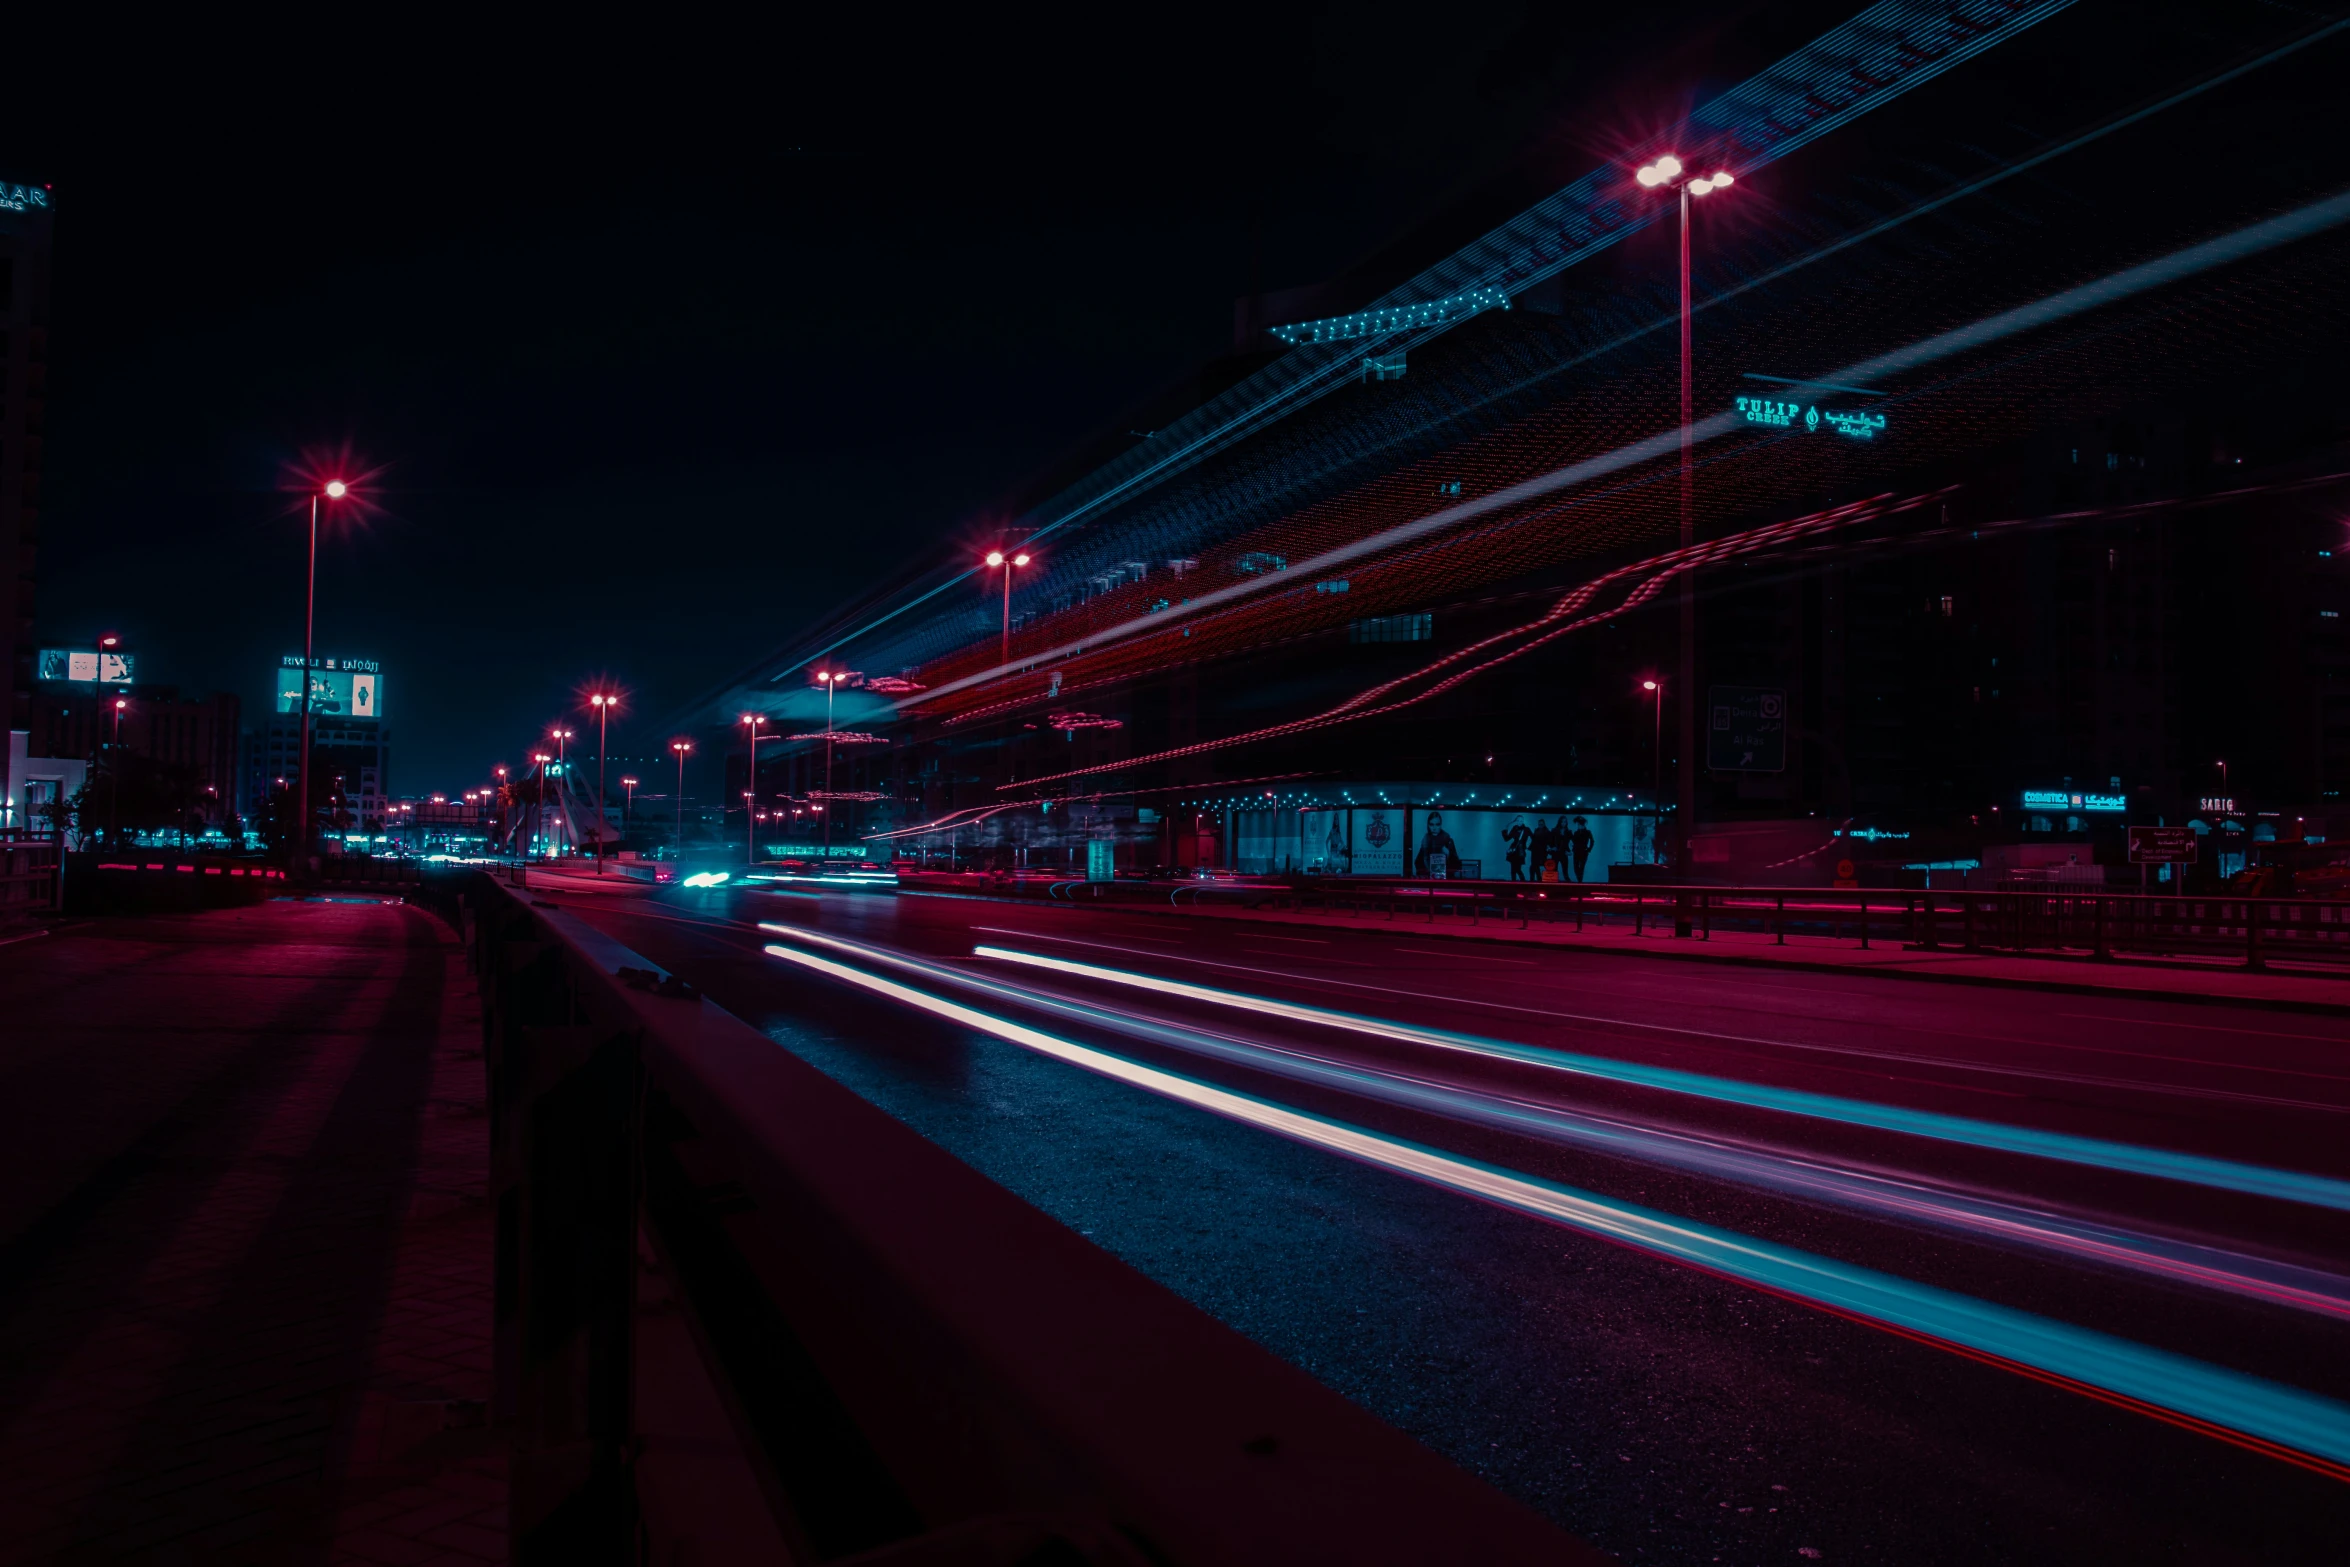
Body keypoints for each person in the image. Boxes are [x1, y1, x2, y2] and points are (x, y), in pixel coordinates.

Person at [1415, 810, 1461, 879]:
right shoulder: (1425, 841)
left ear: (1441, 825)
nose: (1434, 828)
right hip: (1429, 879)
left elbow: (1457, 865)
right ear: (1428, 825)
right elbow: (1418, 862)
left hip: (1445, 880)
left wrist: (1448, 855)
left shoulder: (1448, 840)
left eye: (1437, 824)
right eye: (1431, 824)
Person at [1503, 814, 1531, 880]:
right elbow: (1507, 839)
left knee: (1518, 869)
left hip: (1520, 851)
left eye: (1521, 820)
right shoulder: (1515, 828)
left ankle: (1523, 884)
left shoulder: (1526, 829)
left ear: (1523, 821)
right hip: (1513, 850)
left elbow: (1534, 838)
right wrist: (1505, 829)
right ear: (1516, 821)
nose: (1519, 822)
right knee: (1513, 870)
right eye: (1518, 820)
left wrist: (1529, 847)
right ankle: (1514, 884)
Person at [1569, 815, 1596, 883]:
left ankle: (1580, 882)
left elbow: (1592, 841)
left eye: (1579, 824)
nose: (1578, 825)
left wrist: (1589, 849)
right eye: (1578, 824)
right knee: (1576, 868)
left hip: (1583, 851)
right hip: (1576, 851)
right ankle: (1579, 882)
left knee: (1581, 868)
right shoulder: (1576, 832)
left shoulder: (1587, 832)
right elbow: (1574, 841)